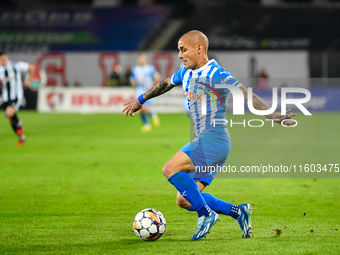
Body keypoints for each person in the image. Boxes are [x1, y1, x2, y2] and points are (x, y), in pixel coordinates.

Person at [122, 30, 297, 240]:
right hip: (205, 141)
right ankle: (239, 212)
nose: (179, 55)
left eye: (183, 50)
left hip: (214, 139)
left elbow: (245, 94)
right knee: (185, 200)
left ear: (199, 49)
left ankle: (206, 215)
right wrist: (140, 99)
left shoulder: (217, 74)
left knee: (170, 168)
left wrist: (273, 115)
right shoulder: (185, 72)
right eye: (178, 50)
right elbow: (165, 84)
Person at [0, 51, 34, 146]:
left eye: (4, 59)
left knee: (9, 113)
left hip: (16, 96)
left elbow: (31, 67)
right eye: (0, 60)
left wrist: (29, 81)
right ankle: (21, 136)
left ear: (7, 58)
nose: (2, 61)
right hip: (6, 98)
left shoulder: (16, 66)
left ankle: (19, 125)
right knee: (11, 119)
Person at [130, 53, 161, 132]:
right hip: (139, 90)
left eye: (142, 59)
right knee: (139, 109)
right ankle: (147, 125)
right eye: (140, 59)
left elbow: (157, 77)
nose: (141, 60)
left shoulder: (150, 68)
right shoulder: (135, 69)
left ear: (145, 60)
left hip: (147, 91)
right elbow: (132, 79)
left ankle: (153, 114)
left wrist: (153, 86)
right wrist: (133, 84)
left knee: (144, 108)